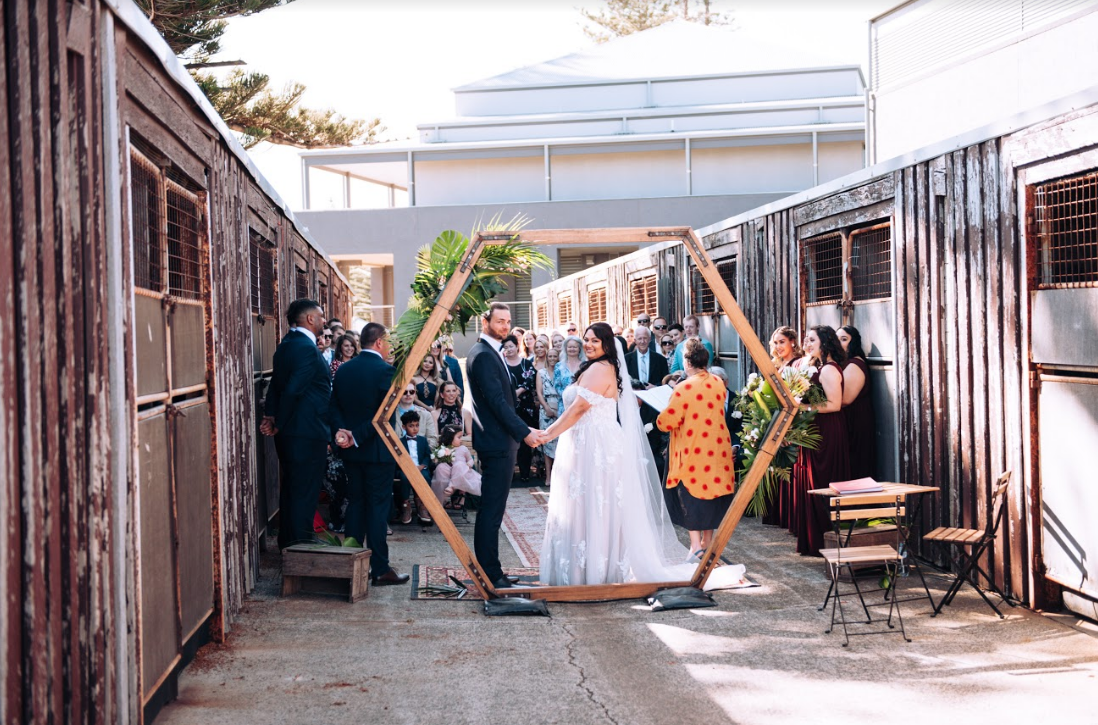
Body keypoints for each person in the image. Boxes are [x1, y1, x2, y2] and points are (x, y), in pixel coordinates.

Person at [537, 324, 746, 588]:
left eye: (594, 340)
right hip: (586, 444)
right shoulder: (716, 382)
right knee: (590, 506)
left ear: (606, 344)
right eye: (586, 339)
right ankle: (593, 566)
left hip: (596, 446)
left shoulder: (603, 369)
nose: (588, 344)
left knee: (598, 505)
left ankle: (598, 570)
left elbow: (579, 408)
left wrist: (547, 434)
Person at [466, 303, 542, 590]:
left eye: (508, 321)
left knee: (494, 510)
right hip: (497, 442)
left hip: (500, 440)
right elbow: (497, 403)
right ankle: (490, 574)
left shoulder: (490, 353)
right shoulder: (483, 355)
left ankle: (492, 571)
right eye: (499, 321)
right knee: (491, 510)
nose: (505, 326)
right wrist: (524, 433)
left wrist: (524, 430)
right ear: (485, 321)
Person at [330, 322, 409, 585]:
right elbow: (383, 415)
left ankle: (354, 565)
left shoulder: (344, 370)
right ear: (379, 343)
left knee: (355, 505)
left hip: (351, 452)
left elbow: (334, 406)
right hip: (376, 452)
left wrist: (343, 434)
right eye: (387, 342)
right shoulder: (386, 371)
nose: (389, 348)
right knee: (377, 509)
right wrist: (357, 436)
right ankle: (380, 569)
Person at [261, 299, 331, 549]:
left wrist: (271, 415)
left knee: (293, 486)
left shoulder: (287, 344)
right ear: (310, 319)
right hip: (305, 431)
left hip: (293, 431)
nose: (324, 321)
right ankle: (300, 541)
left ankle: (288, 541)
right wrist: (278, 421)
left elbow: (276, 385)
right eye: (321, 317)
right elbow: (291, 390)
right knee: (305, 488)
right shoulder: (305, 348)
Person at [657, 339, 735, 559]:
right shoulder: (718, 382)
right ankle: (707, 542)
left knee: (690, 497)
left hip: (693, 450)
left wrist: (662, 412)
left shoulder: (684, 387)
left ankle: (695, 546)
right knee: (709, 497)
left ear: (687, 362)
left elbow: (667, 421)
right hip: (716, 449)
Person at [790, 325, 850, 557]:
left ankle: (824, 538)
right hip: (815, 430)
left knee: (824, 481)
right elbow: (819, 398)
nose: (807, 342)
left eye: (812, 339)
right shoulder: (818, 367)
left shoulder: (829, 370)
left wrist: (802, 407)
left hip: (827, 432)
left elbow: (834, 404)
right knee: (813, 484)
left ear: (824, 342)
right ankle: (814, 539)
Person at [762, 326, 804, 528]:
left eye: (782, 342)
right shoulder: (775, 365)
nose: (778, 346)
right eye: (775, 343)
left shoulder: (798, 364)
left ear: (792, 342)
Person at [625, 325, 670, 478]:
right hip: (633, 403)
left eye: (645, 338)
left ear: (650, 339)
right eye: (639, 338)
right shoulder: (627, 359)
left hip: (653, 405)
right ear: (635, 340)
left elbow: (666, 382)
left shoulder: (660, 359)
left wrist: (655, 387)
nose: (642, 341)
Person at [837, 325, 877, 480]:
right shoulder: (844, 363)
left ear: (853, 343)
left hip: (856, 420)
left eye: (844, 339)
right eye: (837, 339)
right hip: (849, 419)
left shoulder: (854, 365)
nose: (840, 343)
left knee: (857, 463)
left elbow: (845, 399)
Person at [502, 334, 539, 483]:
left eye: (511, 346)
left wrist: (518, 391)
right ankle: (509, 475)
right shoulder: (501, 364)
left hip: (525, 407)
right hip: (507, 408)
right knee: (509, 440)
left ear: (517, 346)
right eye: (505, 347)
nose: (509, 349)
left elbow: (531, 380)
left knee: (525, 439)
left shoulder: (526, 363)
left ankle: (525, 473)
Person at [431, 425, 482, 509]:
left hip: (461, 471)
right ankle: (440, 499)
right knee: (441, 467)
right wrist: (439, 458)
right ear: (450, 438)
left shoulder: (463, 448)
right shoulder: (444, 449)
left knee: (459, 464)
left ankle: (451, 486)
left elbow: (470, 460)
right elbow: (439, 461)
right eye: (459, 437)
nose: (461, 439)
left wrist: (469, 464)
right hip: (448, 471)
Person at [396, 410, 432, 526]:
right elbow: (398, 458)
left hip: (420, 468)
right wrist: (407, 468)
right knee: (404, 477)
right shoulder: (400, 442)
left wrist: (422, 466)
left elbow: (427, 455)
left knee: (425, 477)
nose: (415, 428)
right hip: (406, 468)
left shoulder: (423, 440)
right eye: (411, 426)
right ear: (404, 427)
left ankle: (421, 503)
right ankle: (406, 505)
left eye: (417, 425)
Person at [535, 347, 562, 486]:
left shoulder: (561, 372)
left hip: (560, 406)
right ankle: (548, 476)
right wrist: (546, 407)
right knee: (547, 441)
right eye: (550, 356)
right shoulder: (541, 373)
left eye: (554, 356)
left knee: (559, 441)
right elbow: (539, 392)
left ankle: (559, 476)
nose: (552, 359)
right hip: (545, 407)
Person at [396, 383, 439, 449]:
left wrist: (420, 452)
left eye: (411, 392)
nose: (408, 394)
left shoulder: (426, 415)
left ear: (415, 394)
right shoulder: (390, 415)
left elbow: (433, 440)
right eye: (404, 392)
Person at [553, 335, 584, 406]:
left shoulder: (585, 365)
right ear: (565, 349)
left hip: (581, 404)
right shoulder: (559, 366)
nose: (572, 349)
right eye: (569, 347)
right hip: (564, 404)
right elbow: (557, 386)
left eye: (575, 347)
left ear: (579, 349)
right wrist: (568, 397)